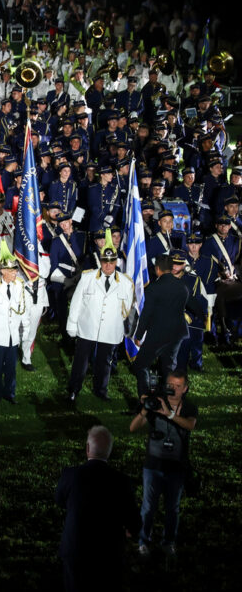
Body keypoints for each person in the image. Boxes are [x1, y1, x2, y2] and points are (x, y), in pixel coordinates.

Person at [55, 426, 140, 592]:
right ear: (109, 451)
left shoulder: (70, 475)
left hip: (76, 551)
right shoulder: (121, 481)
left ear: (87, 448)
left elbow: (59, 500)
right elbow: (135, 523)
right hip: (109, 554)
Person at [129, 372, 198, 559]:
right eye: (170, 385)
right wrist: (145, 409)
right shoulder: (156, 403)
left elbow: (190, 425)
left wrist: (170, 414)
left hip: (176, 466)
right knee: (148, 507)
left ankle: (168, 542)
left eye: (178, 386)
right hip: (153, 465)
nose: (173, 389)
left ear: (185, 389)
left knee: (172, 509)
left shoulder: (189, 407)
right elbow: (133, 427)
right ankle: (143, 542)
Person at [65, 236, 135, 402]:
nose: (108, 265)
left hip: (110, 329)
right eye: (105, 262)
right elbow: (76, 302)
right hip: (87, 327)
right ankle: (73, 389)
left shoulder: (126, 283)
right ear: (100, 261)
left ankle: (101, 390)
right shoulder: (88, 277)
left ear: (116, 262)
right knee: (81, 361)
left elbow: (126, 309)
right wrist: (72, 324)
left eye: (111, 262)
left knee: (105, 361)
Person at [131, 254, 206, 396]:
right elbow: (196, 306)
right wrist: (203, 318)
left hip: (158, 334)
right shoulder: (183, 286)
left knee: (140, 365)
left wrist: (138, 336)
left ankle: (145, 399)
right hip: (177, 333)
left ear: (157, 269)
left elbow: (146, 315)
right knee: (168, 368)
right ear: (171, 268)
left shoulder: (154, 288)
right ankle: (168, 400)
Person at [0, 246, 30, 403]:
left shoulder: (19, 285)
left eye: (15, 270)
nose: (15, 273)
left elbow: (22, 309)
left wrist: (25, 329)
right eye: (11, 270)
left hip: (12, 335)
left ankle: (10, 393)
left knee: (11, 367)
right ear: (2, 271)